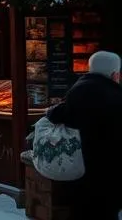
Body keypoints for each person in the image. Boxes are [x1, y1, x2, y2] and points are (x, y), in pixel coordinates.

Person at [47, 50, 122, 219]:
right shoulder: (116, 96)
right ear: (114, 73)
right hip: (110, 171)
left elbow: (59, 114)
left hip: (78, 168)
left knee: (81, 212)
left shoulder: (78, 90)